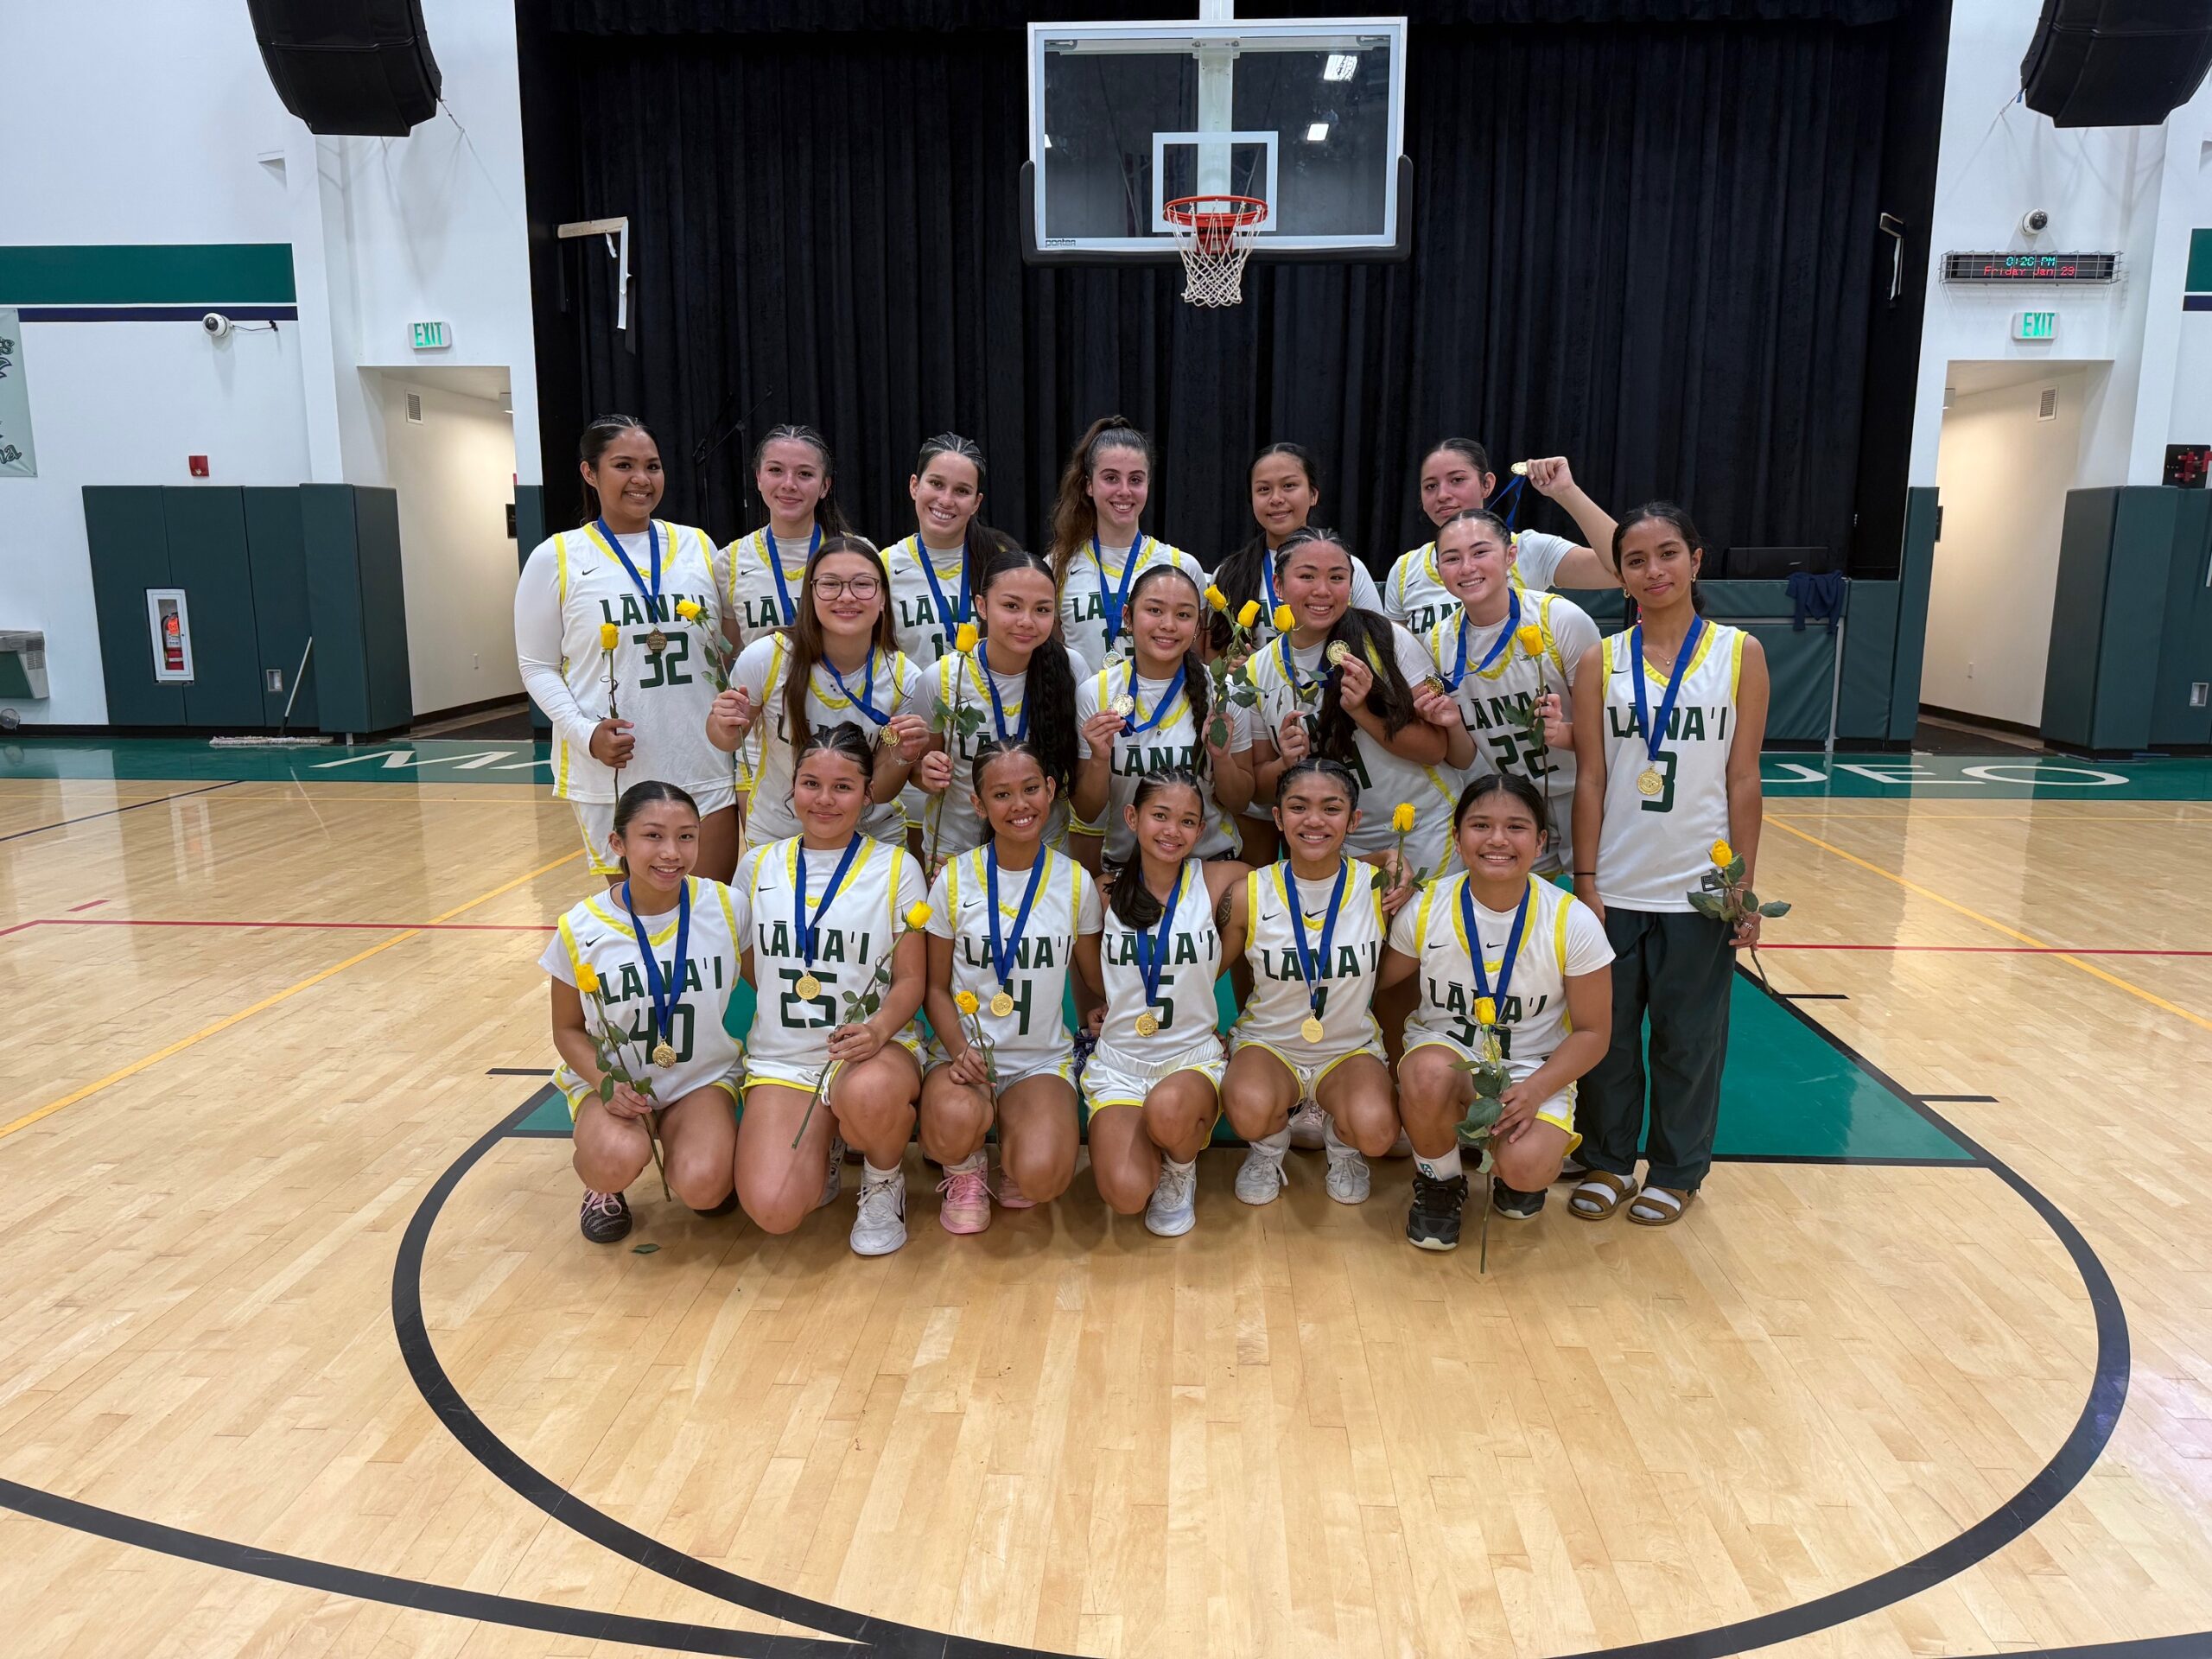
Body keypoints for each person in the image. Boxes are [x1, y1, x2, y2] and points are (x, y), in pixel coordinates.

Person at [1568, 502, 1770, 1227]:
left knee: (1690, 1040)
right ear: (1619, 575)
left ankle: (1678, 1170)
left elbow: (1743, 778)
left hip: (1698, 888)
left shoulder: (1739, 653)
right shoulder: (1601, 659)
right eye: (1636, 560)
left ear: (1696, 559)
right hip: (1616, 884)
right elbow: (1591, 778)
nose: (1653, 571)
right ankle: (1608, 1159)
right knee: (1609, 1038)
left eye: (1667, 554)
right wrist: (1585, 881)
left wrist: (1740, 886)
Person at [1380, 774, 1613, 1249]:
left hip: (1531, 1069)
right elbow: (1374, 983)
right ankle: (1441, 1183)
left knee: (1528, 1170)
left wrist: (1535, 1090)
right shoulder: (1425, 908)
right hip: (1449, 1059)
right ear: (1457, 837)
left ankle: (1510, 1169)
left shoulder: (1573, 920)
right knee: (1425, 1073)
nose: (1498, 840)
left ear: (1541, 840)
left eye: (1517, 827)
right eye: (1481, 825)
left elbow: (1593, 1033)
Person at [514, 415, 738, 884]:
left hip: (702, 759)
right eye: (623, 465)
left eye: (653, 466)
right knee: (643, 921)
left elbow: (725, 647)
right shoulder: (557, 556)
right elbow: (536, 665)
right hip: (613, 766)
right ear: (589, 473)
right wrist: (584, 732)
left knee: (714, 915)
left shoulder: (697, 544)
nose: (642, 479)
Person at [733, 725, 929, 1256]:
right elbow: (752, 967)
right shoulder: (756, 867)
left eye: (843, 787)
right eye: (811, 783)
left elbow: (912, 978)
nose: (824, 799)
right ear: (790, 787)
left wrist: (878, 1030)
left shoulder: (897, 867)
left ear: (868, 795)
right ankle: (829, 1140)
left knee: (868, 1095)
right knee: (773, 1209)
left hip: (872, 1054)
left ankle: (883, 1182)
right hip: (784, 1059)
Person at [543, 782, 747, 1243]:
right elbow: (567, 1029)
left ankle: (700, 1153)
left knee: (704, 1185)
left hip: (699, 1079)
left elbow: (767, 986)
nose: (671, 852)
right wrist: (606, 1085)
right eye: (653, 836)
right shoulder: (581, 926)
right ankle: (602, 1186)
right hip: (615, 1083)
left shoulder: (727, 907)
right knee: (614, 1156)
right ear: (618, 843)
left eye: (687, 836)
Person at [919, 740, 1104, 1232]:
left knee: (1041, 1178)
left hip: (1038, 1060)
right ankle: (965, 1166)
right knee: (953, 1121)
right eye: (1001, 795)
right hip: (963, 1055)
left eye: (1030, 789)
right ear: (979, 805)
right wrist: (959, 1050)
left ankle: (1020, 1145)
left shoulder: (1076, 882)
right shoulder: (954, 880)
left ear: (1050, 791)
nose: (1019, 805)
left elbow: (1095, 978)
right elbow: (934, 989)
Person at [1219, 758, 1410, 1207]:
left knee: (1378, 1132)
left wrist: (1391, 858)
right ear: (1279, 817)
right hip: (1269, 1044)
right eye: (1299, 806)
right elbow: (1206, 970)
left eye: (1332, 808)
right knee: (1246, 1110)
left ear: (1354, 819)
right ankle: (1268, 1147)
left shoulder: (1381, 888)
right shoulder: (1249, 891)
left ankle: (1342, 1147)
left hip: (1347, 1048)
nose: (1314, 820)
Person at [1084, 771, 1247, 1236]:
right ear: (1132, 817)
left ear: (1201, 831)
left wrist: (1387, 868)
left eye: (1188, 821)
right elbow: (1094, 972)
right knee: (1125, 1194)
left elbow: (1301, 887)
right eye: (1161, 816)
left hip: (1188, 1060)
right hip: (1121, 1064)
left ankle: (1181, 1165)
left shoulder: (1222, 881)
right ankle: (1152, 1147)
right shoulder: (1103, 891)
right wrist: (1104, 1004)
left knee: (1170, 1111)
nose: (1173, 831)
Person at [1207, 444, 1383, 874]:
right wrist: (1229, 668)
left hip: (1334, 719)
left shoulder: (1347, 568)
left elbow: (1378, 644)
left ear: (1314, 494)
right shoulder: (1231, 571)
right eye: (1263, 489)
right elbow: (1213, 652)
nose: (1277, 499)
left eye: (1290, 486)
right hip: (1266, 726)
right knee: (1264, 868)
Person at [1411, 509, 1602, 876]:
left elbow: (1610, 735)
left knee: (1593, 908)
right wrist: (1451, 724)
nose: (1467, 567)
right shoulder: (1435, 643)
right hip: (1511, 803)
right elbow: (1464, 758)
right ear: (1438, 569)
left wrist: (1562, 731)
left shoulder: (1561, 619)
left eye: (1480, 552)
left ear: (1510, 556)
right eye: (1452, 558)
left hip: (1584, 792)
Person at [705, 537, 928, 846]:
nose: (847, 596)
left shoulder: (905, 678)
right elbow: (725, 740)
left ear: (882, 599)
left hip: (870, 836)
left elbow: (880, 792)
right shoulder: (766, 658)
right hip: (781, 833)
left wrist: (903, 755)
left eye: (863, 585)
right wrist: (724, 723)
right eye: (830, 584)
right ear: (810, 594)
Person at [906, 548, 1088, 866]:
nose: (1026, 621)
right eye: (1011, 606)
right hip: (958, 855)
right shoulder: (942, 677)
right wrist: (927, 772)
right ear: (982, 606)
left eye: (1042, 609)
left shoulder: (1071, 668)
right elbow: (920, 770)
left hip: (1044, 854)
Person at [1071, 564, 1254, 872]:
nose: (1168, 625)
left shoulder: (1223, 692)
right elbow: (1088, 813)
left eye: (1183, 615)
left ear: (1197, 626)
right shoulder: (1095, 693)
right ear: (1128, 617)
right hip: (1126, 867)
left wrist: (1221, 760)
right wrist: (1100, 759)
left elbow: (1240, 802)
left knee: (1244, 891)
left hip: (1207, 864)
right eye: (1154, 610)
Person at [1383, 444, 1623, 635]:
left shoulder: (1527, 549)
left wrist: (1567, 492)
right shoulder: (1406, 570)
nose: (1443, 495)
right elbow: (1399, 657)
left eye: (1457, 480)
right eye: (1431, 486)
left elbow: (1624, 568)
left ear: (1487, 484)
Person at [1046, 416, 1209, 671]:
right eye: (1111, 478)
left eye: (1135, 479)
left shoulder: (1182, 566)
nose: (1124, 491)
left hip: (1163, 710)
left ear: (1148, 484)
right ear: (1089, 485)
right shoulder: (1059, 565)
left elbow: (1197, 661)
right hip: (1085, 709)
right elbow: (1052, 661)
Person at [720, 423, 854, 643]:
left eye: (805, 474)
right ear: (759, 478)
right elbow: (728, 654)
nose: (789, 484)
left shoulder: (858, 554)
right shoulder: (730, 561)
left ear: (824, 486)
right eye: (776, 470)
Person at [883, 432, 1005, 669]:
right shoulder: (884, 566)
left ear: (976, 503)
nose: (946, 500)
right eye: (936, 484)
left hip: (988, 703)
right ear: (914, 486)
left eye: (962, 491)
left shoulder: (1001, 562)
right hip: (912, 705)